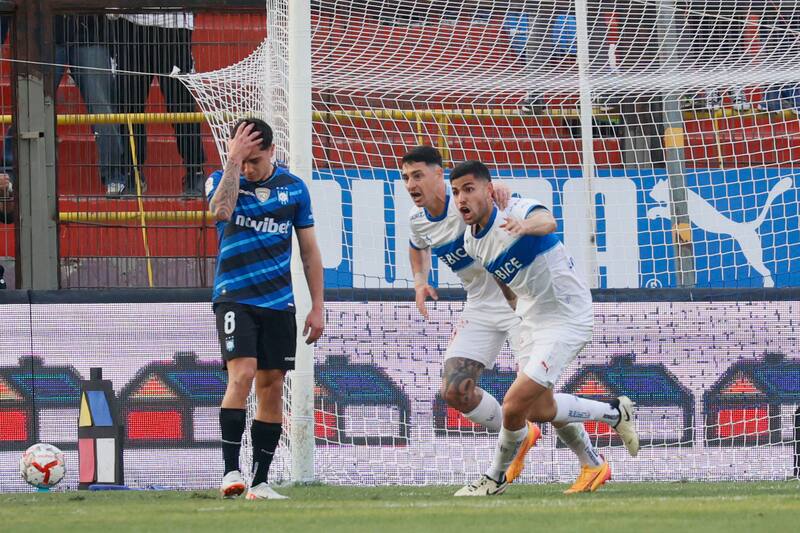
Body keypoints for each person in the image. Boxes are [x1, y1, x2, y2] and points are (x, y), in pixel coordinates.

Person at [450, 160, 639, 495]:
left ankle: (494, 478)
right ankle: (614, 412)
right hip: (530, 319)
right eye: (456, 192)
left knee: (512, 406)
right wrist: (513, 309)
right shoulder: (471, 241)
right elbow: (500, 277)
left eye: (468, 188)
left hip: (567, 317)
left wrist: (523, 227)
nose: (461, 198)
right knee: (540, 410)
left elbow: (547, 221)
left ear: (488, 190)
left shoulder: (514, 208)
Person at [401, 146, 541, 496]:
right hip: (479, 305)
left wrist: (500, 191)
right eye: (405, 177)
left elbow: (496, 200)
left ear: (439, 175)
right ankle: (520, 432)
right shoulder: (417, 219)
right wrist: (420, 281)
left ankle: (595, 449)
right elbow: (417, 244)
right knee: (454, 390)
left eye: (418, 175)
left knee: (539, 398)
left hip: (517, 302)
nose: (410, 184)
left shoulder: (465, 199)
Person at [208, 118, 324, 500]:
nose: (248, 168)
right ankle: (229, 472)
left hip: (278, 302)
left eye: (254, 160)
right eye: (242, 159)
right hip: (234, 296)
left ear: (272, 152)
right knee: (241, 374)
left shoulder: (293, 189)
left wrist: (317, 306)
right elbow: (219, 213)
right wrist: (232, 163)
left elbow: (309, 252)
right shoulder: (223, 181)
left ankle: (259, 481)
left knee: (272, 385)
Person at [112, 12, 207, 196]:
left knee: (181, 102)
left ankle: (195, 170)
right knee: (129, 103)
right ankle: (133, 172)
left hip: (174, 24)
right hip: (131, 22)